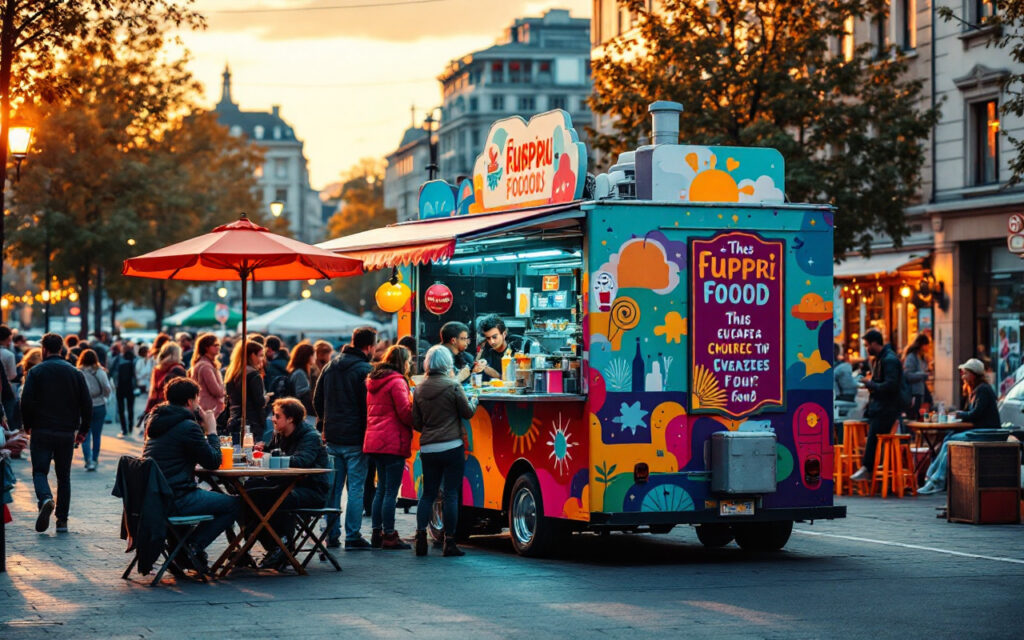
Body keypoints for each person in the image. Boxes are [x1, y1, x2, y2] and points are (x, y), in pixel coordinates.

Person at [142, 377, 240, 572]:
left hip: (154, 498)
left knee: (216, 496)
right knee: (234, 504)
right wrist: (211, 431)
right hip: (176, 498)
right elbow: (212, 461)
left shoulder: (156, 420)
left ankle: (182, 552)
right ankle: (192, 547)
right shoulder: (187, 426)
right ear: (189, 402)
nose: (198, 404)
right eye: (196, 400)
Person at [246, 398, 330, 570]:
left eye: (277, 416)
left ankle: (282, 545)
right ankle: (275, 546)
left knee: (270, 497)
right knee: (246, 494)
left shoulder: (310, 437)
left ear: (290, 419)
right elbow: (270, 456)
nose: (272, 419)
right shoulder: (279, 434)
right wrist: (262, 452)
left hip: (310, 491)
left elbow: (302, 461)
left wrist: (270, 456)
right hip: (284, 487)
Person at [20, 333, 92, 533]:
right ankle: (62, 521)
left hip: (41, 429)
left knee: (40, 471)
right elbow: (87, 404)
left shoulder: (36, 372)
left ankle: (45, 498)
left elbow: (25, 401)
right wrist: (83, 430)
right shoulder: (75, 373)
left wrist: (27, 424)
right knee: (64, 476)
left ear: (44, 349)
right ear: (61, 349)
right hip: (66, 431)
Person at [313, 326, 376, 550]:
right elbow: (368, 406)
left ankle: (331, 534)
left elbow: (317, 398)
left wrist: (323, 422)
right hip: (356, 438)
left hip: (332, 436)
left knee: (334, 489)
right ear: (369, 347)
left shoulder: (330, 366)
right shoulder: (364, 369)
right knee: (356, 489)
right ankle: (353, 535)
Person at [412, 345, 476, 557]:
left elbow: (416, 423)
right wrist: (475, 401)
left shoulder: (419, 388)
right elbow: (467, 413)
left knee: (428, 494)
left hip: (428, 448)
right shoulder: (453, 386)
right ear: (447, 363)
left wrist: (431, 429)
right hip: (451, 446)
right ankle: (449, 542)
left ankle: (421, 538)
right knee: (450, 494)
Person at [918, 358, 1003, 494]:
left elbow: (976, 413)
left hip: (987, 432)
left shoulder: (983, 390)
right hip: (979, 430)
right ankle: (931, 477)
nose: (963, 377)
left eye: (965, 373)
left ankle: (936, 481)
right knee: (948, 438)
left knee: (949, 443)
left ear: (973, 374)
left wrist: (959, 414)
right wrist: (961, 413)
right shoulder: (975, 390)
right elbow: (971, 413)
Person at [363, 345, 414, 550]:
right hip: (392, 442)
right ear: (402, 361)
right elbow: (405, 412)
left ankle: (376, 533)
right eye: (409, 361)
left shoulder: (374, 380)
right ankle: (390, 536)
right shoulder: (397, 381)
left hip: (374, 440)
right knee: (390, 491)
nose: (410, 365)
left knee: (381, 490)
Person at [850, 329, 902, 482]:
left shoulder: (889, 359)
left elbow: (891, 386)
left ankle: (867, 468)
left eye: (867, 345)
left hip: (887, 408)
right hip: (881, 406)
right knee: (868, 432)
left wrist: (870, 383)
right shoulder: (882, 358)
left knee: (873, 435)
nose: (866, 349)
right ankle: (867, 468)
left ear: (874, 343)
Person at [225, 339, 267, 443]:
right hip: (251, 423)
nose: (262, 359)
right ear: (252, 355)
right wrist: (267, 397)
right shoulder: (253, 375)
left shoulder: (233, 373)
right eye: (260, 355)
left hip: (234, 420)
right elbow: (259, 402)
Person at [77, 349, 111, 471]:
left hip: (84, 407)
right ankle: (95, 459)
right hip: (99, 405)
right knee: (97, 435)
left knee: (85, 434)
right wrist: (104, 396)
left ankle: (88, 460)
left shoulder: (78, 372)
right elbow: (107, 388)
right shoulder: (100, 371)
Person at [474, 314, 522, 381]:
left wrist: (497, 376)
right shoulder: (486, 352)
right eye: (488, 338)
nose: (492, 342)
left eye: (494, 337)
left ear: (504, 334)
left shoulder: (516, 351)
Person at [188, 333, 226, 418]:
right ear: (206, 347)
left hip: (205, 408)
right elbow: (217, 391)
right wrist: (224, 389)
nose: (218, 347)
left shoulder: (202, 363)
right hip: (210, 410)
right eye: (215, 345)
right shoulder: (206, 366)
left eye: (219, 345)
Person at [144, 342, 187, 415]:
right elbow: (183, 393)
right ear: (177, 354)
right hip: (174, 409)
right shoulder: (178, 369)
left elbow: (153, 393)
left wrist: (147, 411)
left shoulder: (157, 369)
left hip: (157, 408)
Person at [903, 334, 931, 420]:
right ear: (921, 345)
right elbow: (908, 375)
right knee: (913, 416)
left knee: (919, 415)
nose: (928, 348)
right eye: (926, 345)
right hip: (913, 392)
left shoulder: (922, 358)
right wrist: (923, 375)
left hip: (920, 391)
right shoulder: (912, 357)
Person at [286, 343, 316, 423]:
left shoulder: (297, 371)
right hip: (305, 415)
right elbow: (303, 396)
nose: (315, 357)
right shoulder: (300, 373)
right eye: (313, 354)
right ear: (308, 356)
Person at [114, 345, 138, 436]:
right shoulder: (135, 360)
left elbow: (113, 371)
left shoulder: (118, 360)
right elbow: (136, 375)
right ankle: (131, 427)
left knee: (121, 409)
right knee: (130, 408)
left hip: (120, 387)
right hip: (130, 388)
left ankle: (124, 429)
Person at [264, 335, 289, 399]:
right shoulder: (288, 361)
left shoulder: (271, 366)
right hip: (286, 398)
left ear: (269, 349)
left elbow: (270, 388)